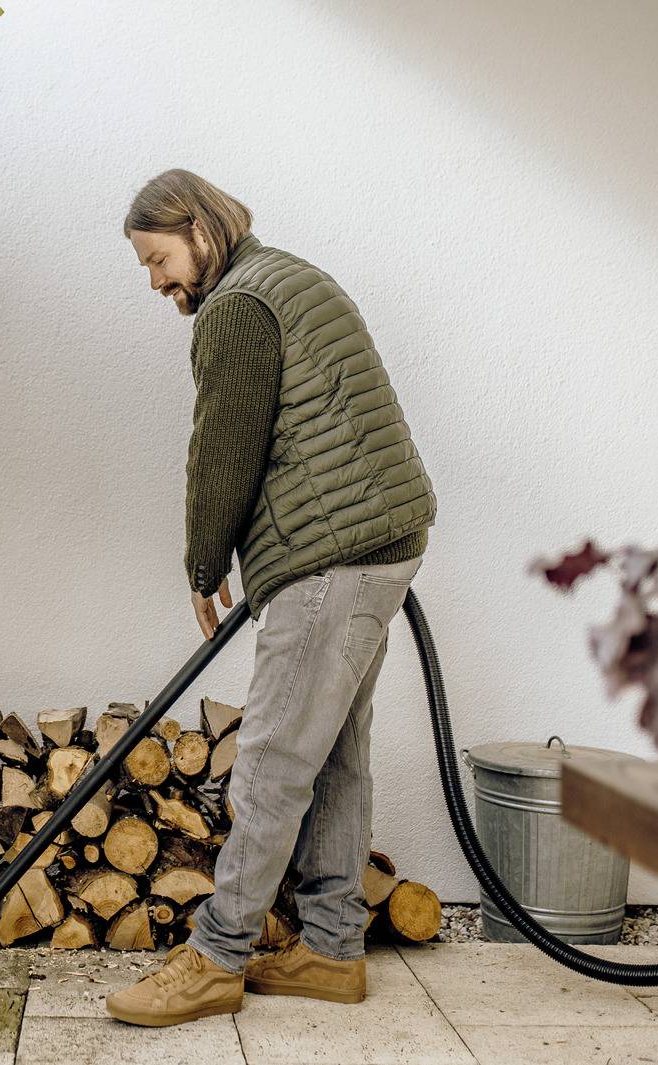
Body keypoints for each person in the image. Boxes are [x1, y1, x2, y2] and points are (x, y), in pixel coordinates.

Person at [106, 169, 437, 1027]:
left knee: (273, 759)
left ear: (195, 225)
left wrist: (202, 562)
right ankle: (330, 946)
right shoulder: (290, 275)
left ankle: (216, 958)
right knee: (332, 756)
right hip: (376, 543)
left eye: (158, 258)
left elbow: (223, 446)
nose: (156, 281)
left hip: (332, 556)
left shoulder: (238, 307)